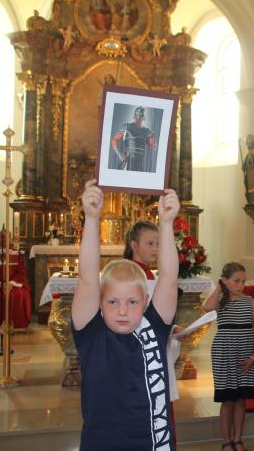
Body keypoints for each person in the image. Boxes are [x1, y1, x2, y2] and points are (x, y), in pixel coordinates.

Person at [72, 179, 179, 450]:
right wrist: (92, 218)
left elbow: (168, 277)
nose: (122, 310)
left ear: (145, 301)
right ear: (99, 301)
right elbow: (87, 278)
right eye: (112, 301)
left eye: (132, 302)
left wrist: (167, 224)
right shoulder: (91, 334)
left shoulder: (154, 328)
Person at [123, 220, 184, 448]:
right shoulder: (124, 276)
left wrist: (173, 331)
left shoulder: (155, 278)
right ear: (134, 245)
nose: (156, 248)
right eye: (150, 243)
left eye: (158, 243)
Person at [203, 262, 254, 451]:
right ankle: (226, 440)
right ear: (225, 281)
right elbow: (206, 307)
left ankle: (238, 438)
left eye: (243, 281)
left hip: (246, 355)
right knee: (228, 399)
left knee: (241, 400)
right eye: (236, 281)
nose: (241, 285)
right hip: (225, 353)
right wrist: (219, 287)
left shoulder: (250, 301)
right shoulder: (221, 300)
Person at [110, 106, 158, 172]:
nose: (138, 118)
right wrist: (119, 154)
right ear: (134, 116)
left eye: (140, 116)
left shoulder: (146, 131)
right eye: (137, 115)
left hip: (139, 164)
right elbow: (114, 140)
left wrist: (154, 141)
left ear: (143, 117)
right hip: (128, 161)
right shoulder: (127, 126)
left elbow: (153, 146)